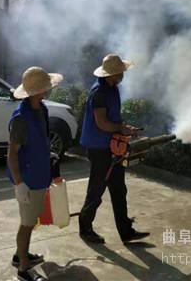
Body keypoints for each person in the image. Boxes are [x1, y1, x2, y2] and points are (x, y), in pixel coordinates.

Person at [79, 53, 149, 244]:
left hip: (111, 146)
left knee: (119, 189)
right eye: (120, 72)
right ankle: (85, 228)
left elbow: (112, 120)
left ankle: (126, 232)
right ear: (112, 74)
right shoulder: (99, 93)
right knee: (97, 189)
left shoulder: (111, 88)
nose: (123, 75)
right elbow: (102, 123)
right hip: (99, 148)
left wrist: (123, 129)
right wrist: (120, 128)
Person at [7, 67, 63, 281]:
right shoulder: (21, 118)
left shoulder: (41, 109)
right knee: (27, 223)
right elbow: (12, 154)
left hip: (40, 175)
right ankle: (23, 268)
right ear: (38, 91)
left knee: (31, 221)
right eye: (46, 88)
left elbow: (39, 137)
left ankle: (19, 254)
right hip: (28, 180)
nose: (49, 90)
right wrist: (20, 183)